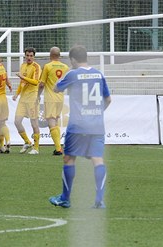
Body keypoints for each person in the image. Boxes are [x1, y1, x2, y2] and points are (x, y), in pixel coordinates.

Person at [48, 44, 111, 209]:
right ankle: (99, 200)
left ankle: (65, 198)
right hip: (97, 125)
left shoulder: (73, 74)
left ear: (73, 59)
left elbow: (55, 88)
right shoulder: (98, 74)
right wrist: (96, 113)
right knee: (97, 159)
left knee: (69, 158)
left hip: (78, 126)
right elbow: (108, 100)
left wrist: (69, 71)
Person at [39, 47, 70, 155]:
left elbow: (42, 84)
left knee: (51, 122)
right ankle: (59, 146)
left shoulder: (47, 66)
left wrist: (38, 95)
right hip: (60, 98)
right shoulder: (66, 67)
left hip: (50, 97)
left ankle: (58, 148)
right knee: (55, 122)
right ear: (59, 55)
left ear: (50, 55)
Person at [14, 47, 41, 155]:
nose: (29, 57)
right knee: (17, 122)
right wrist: (17, 94)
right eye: (27, 55)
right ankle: (27, 142)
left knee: (34, 123)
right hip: (23, 98)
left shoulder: (36, 67)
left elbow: (35, 82)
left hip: (32, 99)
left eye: (31, 56)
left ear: (34, 56)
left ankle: (36, 148)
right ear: (25, 56)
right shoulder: (23, 65)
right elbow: (22, 82)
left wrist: (22, 77)